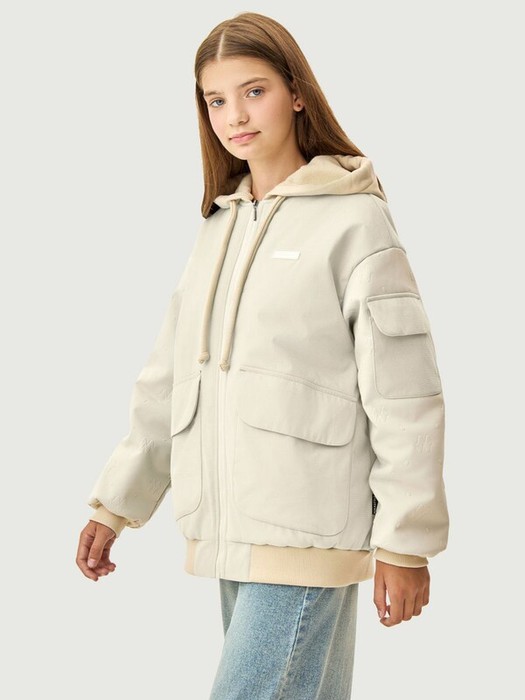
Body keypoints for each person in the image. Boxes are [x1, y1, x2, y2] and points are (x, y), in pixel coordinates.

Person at [76, 11, 449, 699]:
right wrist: (115, 503)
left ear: (296, 93)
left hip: (309, 535)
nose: (235, 116)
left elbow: (403, 393)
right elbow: (169, 379)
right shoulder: (219, 227)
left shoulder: (354, 218)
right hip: (231, 533)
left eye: (254, 91)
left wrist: (406, 541)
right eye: (216, 100)